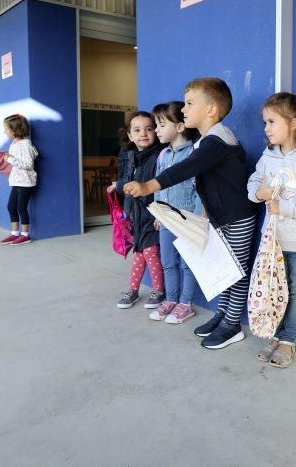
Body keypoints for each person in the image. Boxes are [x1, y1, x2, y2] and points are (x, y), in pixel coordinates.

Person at [125, 77, 256, 349]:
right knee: (224, 271)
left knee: (236, 272)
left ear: (210, 110)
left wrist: (149, 185)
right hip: (221, 218)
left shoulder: (217, 140)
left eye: (189, 103)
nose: (183, 109)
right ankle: (222, 315)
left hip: (238, 217)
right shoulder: (206, 140)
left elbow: (188, 168)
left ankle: (233, 326)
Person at [247, 92, 296, 367]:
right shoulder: (267, 158)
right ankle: (274, 332)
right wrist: (259, 193)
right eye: (265, 123)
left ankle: (288, 340)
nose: (266, 128)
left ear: (293, 123)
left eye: (272, 121)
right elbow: (254, 182)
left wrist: (284, 207)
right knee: (272, 287)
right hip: (273, 241)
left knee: (295, 289)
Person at [149, 101, 201, 324]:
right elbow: (156, 186)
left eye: (161, 125)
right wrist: (158, 214)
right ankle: (170, 300)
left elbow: (200, 189)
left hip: (187, 219)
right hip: (166, 219)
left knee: (187, 263)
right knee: (168, 261)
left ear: (180, 126)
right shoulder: (162, 155)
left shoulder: (194, 153)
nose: (156, 130)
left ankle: (185, 304)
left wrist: (197, 219)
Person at [109, 111, 165, 309]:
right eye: (137, 130)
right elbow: (127, 182)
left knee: (150, 251)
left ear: (156, 132)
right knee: (140, 252)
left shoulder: (160, 155)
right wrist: (117, 186)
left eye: (149, 129)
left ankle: (159, 290)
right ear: (130, 135)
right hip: (136, 214)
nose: (144, 133)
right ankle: (133, 290)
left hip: (153, 213)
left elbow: (160, 185)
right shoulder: (129, 156)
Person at [0, 114, 38, 246]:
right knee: (11, 207)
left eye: (6, 129)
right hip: (16, 181)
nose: (5, 132)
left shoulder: (25, 145)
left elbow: (28, 164)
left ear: (15, 130)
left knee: (21, 208)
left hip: (26, 182)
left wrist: (10, 159)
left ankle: (25, 235)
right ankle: (15, 233)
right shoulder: (14, 143)